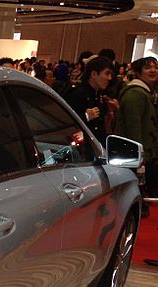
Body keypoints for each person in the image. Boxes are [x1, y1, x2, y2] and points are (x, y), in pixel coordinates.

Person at [115, 56, 158, 227]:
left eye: (155, 67)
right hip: (134, 154)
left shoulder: (148, 92)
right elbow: (134, 129)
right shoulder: (135, 94)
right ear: (138, 72)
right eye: (148, 68)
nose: (153, 70)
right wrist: (139, 158)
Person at [66, 55, 114, 145]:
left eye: (111, 74)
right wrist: (86, 116)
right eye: (107, 73)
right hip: (80, 149)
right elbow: (64, 122)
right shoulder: (77, 94)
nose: (109, 78)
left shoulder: (98, 95)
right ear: (94, 74)